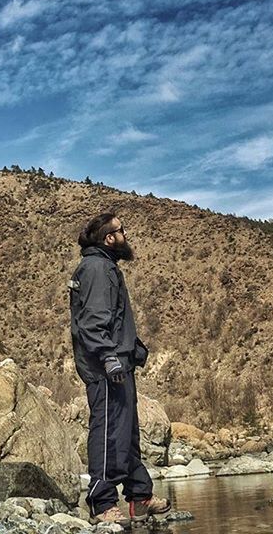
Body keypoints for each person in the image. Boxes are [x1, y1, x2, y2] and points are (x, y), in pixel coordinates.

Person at [69, 212, 170, 527]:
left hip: (118, 364)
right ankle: (102, 502)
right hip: (105, 369)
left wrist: (132, 347)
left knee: (127, 433)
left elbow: (112, 318)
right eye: (121, 230)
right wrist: (109, 356)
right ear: (109, 238)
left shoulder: (104, 267)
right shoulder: (98, 269)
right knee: (109, 431)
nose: (125, 235)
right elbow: (93, 321)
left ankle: (140, 495)